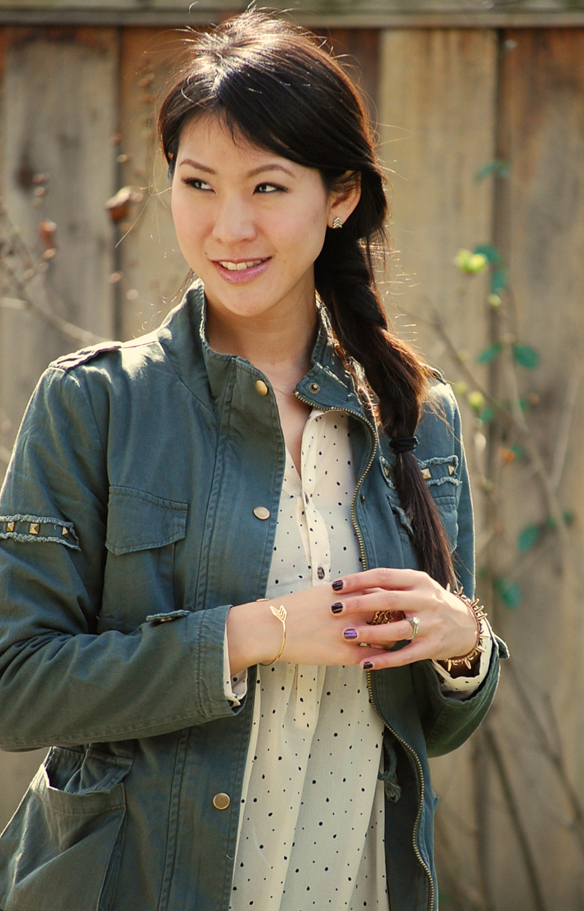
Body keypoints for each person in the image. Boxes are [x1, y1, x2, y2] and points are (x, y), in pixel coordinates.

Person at [0, 11, 506, 911]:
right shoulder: (94, 404)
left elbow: (429, 728)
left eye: (269, 186)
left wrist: (463, 645)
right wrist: (251, 634)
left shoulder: (416, 419)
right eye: (198, 183)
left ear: (339, 196)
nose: (229, 225)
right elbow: (16, 685)